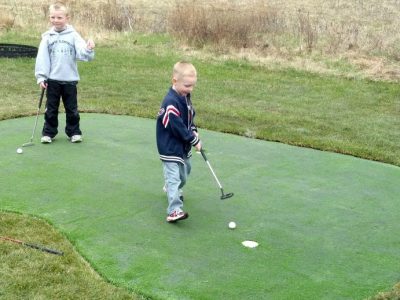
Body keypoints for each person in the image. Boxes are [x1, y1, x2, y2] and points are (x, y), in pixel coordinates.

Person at [35, 2, 95, 144]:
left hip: (70, 80)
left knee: (72, 109)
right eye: (53, 17)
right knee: (50, 109)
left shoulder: (73, 36)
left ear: (67, 18)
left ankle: (74, 132)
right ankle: (48, 133)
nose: (56, 20)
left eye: (59, 17)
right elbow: (42, 59)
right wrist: (41, 77)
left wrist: (89, 48)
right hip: (52, 80)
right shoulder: (47, 37)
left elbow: (82, 52)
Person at [156, 61, 202, 223]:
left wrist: (194, 130)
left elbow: (189, 120)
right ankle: (174, 210)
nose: (190, 89)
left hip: (183, 146)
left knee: (184, 174)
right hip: (169, 147)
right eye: (187, 86)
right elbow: (177, 127)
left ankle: (170, 188)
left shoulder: (185, 97)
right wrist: (192, 138)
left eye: (192, 86)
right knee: (174, 178)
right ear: (174, 81)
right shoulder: (170, 102)